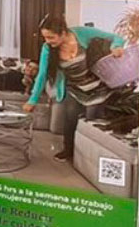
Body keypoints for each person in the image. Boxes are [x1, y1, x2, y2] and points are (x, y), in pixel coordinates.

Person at [23, 14, 126, 162]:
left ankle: (91, 157)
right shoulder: (48, 48)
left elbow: (115, 37)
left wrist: (116, 47)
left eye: (51, 37)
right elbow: (42, 74)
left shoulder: (83, 33)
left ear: (63, 32)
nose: (47, 41)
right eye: (45, 37)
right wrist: (32, 100)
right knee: (70, 119)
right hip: (74, 88)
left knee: (92, 122)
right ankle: (68, 150)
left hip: (98, 87)